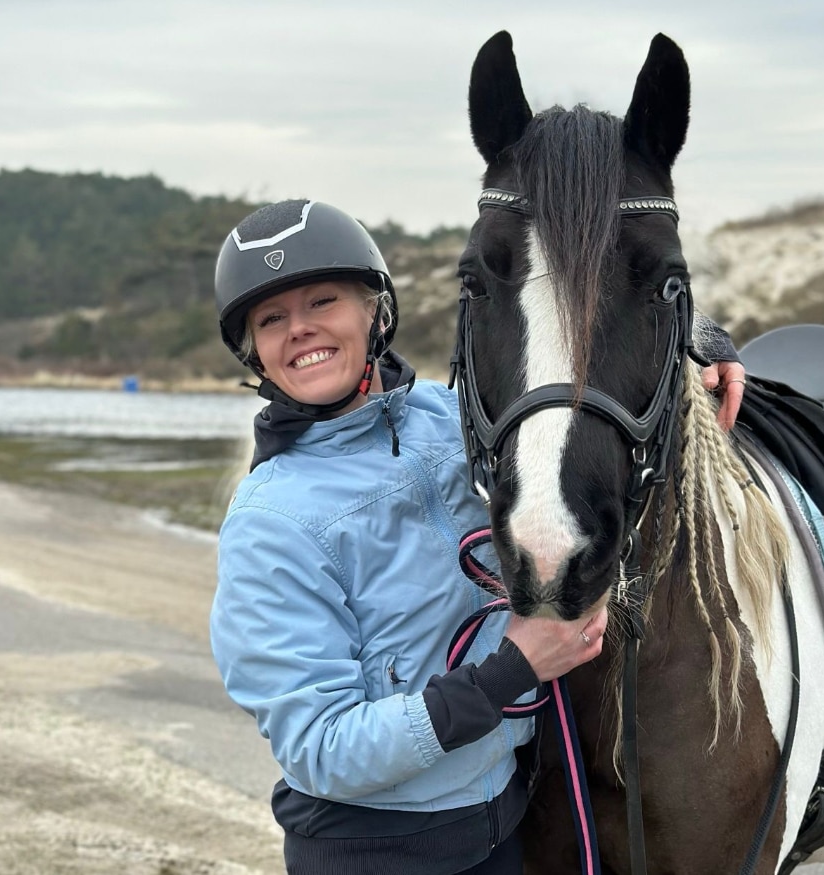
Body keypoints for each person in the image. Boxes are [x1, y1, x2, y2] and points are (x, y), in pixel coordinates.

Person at [209, 199, 745, 875]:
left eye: (323, 301)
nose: (301, 329)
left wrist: (697, 341)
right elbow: (323, 747)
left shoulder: (450, 416)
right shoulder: (270, 520)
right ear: (251, 348)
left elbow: (569, 372)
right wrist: (509, 672)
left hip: (505, 823)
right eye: (271, 319)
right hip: (375, 852)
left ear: (375, 311)